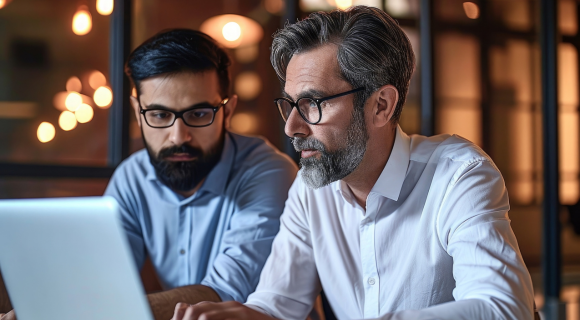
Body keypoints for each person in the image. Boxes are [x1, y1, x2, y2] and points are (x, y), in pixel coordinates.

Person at [170, 6, 535, 320]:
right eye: (290, 104)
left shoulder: (458, 175)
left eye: (313, 104)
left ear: (381, 106)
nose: (292, 127)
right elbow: (278, 305)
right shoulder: (310, 190)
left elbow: (502, 308)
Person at [0, 29, 297, 320]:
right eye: (159, 115)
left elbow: (225, 292)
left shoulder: (269, 173)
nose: (178, 136)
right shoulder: (132, 177)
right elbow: (99, 276)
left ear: (227, 110)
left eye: (199, 114)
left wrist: (66, 312)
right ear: (137, 110)